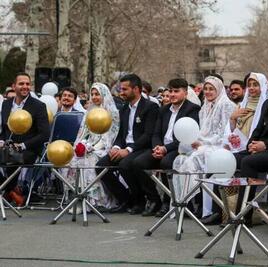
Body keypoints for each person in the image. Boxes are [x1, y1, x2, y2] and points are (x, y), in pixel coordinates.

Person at [124, 78, 200, 216]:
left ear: (185, 93)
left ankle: (168, 200)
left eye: (176, 91)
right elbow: (156, 133)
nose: (172, 94)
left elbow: (186, 137)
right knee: (138, 163)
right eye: (170, 91)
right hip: (161, 148)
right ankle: (154, 199)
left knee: (166, 162)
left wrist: (165, 149)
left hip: (180, 149)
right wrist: (157, 147)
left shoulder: (192, 109)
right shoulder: (164, 110)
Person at [173, 76, 236, 219]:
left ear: (219, 90)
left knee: (200, 157)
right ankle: (187, 203)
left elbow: (223, 133)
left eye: (211, 89)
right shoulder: (204, 107)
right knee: (182, 158)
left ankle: (208, 210)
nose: (207, 92)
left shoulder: (226, 105)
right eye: (205, 89)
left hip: (221, 146)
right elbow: (202, 131)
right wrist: (196, 141)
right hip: (205, 143)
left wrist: (203, 144)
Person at [96, 73, 159, 213]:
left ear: (136, 89)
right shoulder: (124, 108)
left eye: (125, 89)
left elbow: (148, 135)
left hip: (142, 147)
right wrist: (116, 147)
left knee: (126, 164)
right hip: (126, 148)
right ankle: (125, 198)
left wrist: (128, 149)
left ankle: (150, 199)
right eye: (121, 89)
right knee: (101, 166)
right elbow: (121, 133)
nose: (121, 92)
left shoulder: (150, 107)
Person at [63, 83, 120, 211]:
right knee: (74, 158)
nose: (94, 97)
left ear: (104, 94)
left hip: (105, 147)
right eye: (92, 94)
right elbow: (83, 133)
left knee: (90, 159)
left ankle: (97, 201)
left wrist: (92, 148)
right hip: (90, 145)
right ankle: (78, 197)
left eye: (97, 94)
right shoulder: (89, 112)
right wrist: (81, 145)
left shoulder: (112, 112)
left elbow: (110, 136)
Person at [0, 72, 50, 206]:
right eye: (21, 83)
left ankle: (8, 190)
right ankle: (11, 190)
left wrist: (23, 145)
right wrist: (2, 141)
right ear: (14, 86)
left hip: (29, 149)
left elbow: (45, 134)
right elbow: (4, 129)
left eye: (28, 84)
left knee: (10, 158)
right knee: (7, 155)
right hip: (7, 148)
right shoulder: (6, 104)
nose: (25, 86)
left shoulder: (39, 106)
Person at [224, 72, 268, 153]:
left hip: (256, 147)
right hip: (238, 146)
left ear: (262, 86)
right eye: (249, 85)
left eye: (255, 85)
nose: (251, 88)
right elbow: (233, 131)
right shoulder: (241, 105)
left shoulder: (267, 106)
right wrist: (232, 119)